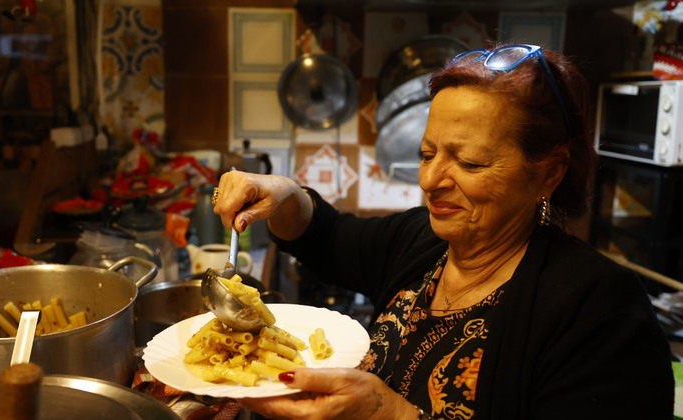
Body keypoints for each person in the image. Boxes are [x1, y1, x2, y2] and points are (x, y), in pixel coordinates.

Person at [212, 44, 674, 419]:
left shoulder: (601, 312)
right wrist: (284, 192)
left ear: (549, 173)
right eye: (427, 154)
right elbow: (325, 237)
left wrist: (390, 415)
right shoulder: (423, 242)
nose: (431, 180)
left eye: (469, 163)